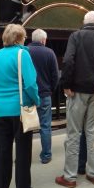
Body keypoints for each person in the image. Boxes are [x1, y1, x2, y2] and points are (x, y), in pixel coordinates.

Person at [56, 11, 94, 188]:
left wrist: (66, 84)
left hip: (77, 91)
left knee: (74, 133)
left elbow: (68, 60)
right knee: (93, 132)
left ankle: (70, 176)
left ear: (84, 22)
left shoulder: (76, 36)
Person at [0, 24, 40, 188]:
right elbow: (31, 83)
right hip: (20, 110)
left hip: (1, 111)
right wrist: (36, 101)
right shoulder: (22, 54)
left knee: (2, 151)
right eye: (24, 37)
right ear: (19, 38)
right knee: (23, 151)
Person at [27, 28, 59, 164]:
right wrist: (50, 90)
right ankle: (46, 156)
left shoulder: (24, 51)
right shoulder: (49, 52)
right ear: (43, 40)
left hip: (27, 95)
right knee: (45, 126)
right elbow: (55, 76)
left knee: (25, 128)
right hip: (44, 94)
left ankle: (23, 156)